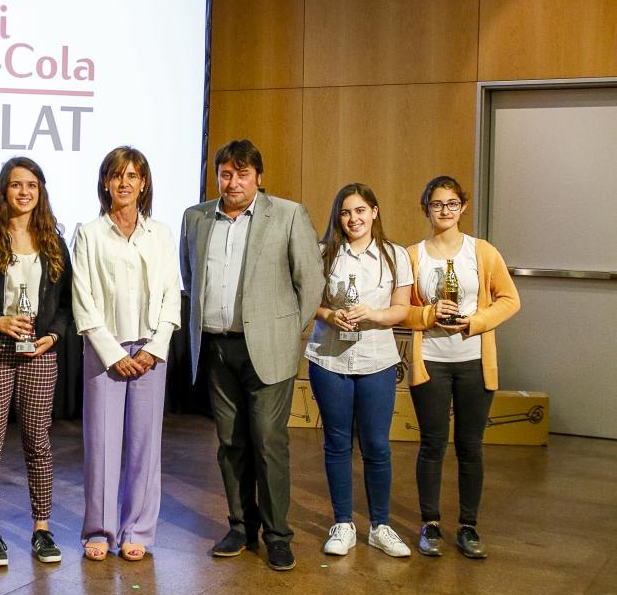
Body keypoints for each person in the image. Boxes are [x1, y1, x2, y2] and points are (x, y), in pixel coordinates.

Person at [179, 139, 322, 571]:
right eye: (225, 174)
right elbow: (190, 277)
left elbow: (310, 282)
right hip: (217, 347)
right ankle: (241, 526)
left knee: (268, 442)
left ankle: (278, 534)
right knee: (229, 443)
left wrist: (290, 333)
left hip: (270, 350)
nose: (233, 182)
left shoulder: (288, 214)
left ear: (258, 177)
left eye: (242, 174)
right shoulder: (197, 217)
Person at [0, 157, 73, 567]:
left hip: (39, 354)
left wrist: (52, 336)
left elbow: (65, 305)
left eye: (32, 186)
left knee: (38, 444)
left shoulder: (54, 243)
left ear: (41, 192)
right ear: (4, 191)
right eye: (16, 185)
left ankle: (42, 528)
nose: (24, 192)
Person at [72, 146, 181, 563]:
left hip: (150, 350)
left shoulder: (162, 234)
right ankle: (99, 530)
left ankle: (136, 530)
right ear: (105, 182)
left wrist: (155, 349)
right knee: (100, 444)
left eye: (132, 176)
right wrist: (112, 352)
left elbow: (173, 294)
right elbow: (83, 300)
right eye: (117, 175)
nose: (124, 183)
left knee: (144, 445)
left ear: (144, 183)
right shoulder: (89, 233)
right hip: (105, 350)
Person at [402, 176, 520, 558]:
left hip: (473, 361)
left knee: (471, 447)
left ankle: (468, 526)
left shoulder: (482, 252)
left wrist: (476, 322)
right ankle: (430, 523)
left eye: (452, 204)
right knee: (432, 444)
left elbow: (509, 299)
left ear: (463, 207)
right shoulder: (413, 255)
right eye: (437, 204)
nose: (445, 211)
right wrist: (429, 314)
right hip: (430, 362)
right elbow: (402, 310)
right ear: (426, 209)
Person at [305, 184, 413, 558]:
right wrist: (330, 314)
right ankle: (343, 524)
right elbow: (309, 304)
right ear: (338, 217)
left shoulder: (395, 255)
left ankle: (380, 526)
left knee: (377, 446)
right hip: (328, 358)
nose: (354, 219)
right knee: (336, 443)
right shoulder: (322, 254)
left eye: (361, 211)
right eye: (346, 212)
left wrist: (374, 314)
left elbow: (402, 307)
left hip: (376, 360)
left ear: (375, 212)